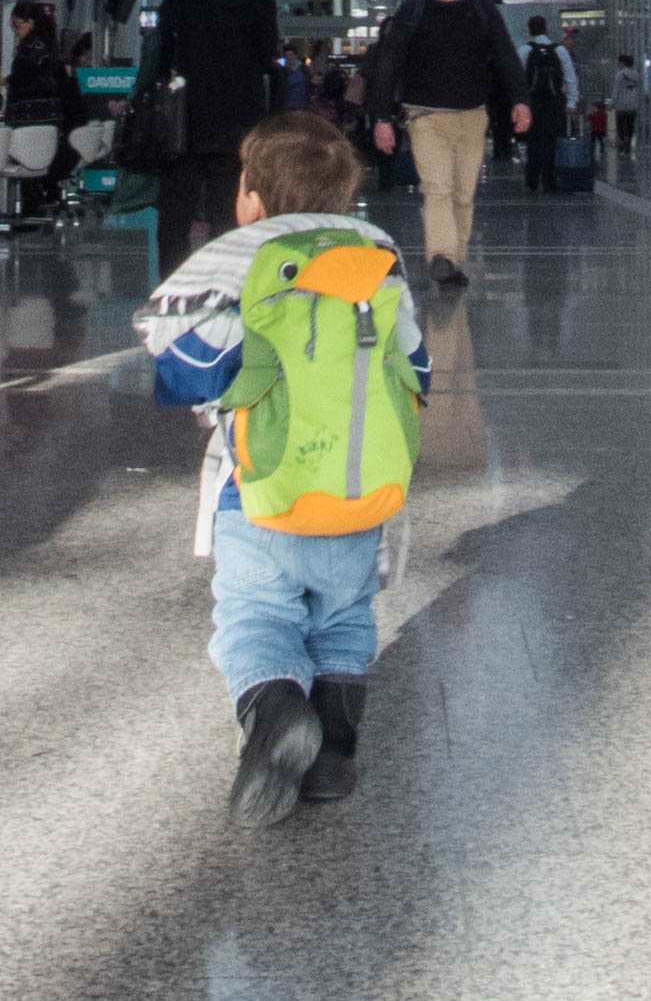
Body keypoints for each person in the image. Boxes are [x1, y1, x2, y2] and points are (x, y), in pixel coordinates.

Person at [133, 111, 431, 828]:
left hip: (259, 489)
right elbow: (414, 363)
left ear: (250, 196)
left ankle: (273, 710)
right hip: (361, 488)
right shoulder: (375, 248)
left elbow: (179, 357)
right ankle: (332, 751)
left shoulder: (240, 249)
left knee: (255, 614)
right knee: (343, 615)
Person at [373, 0, 530, 287]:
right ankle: (441, 255)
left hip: (472, 116)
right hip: (425, 117)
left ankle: (453, 261)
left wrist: (520, 99)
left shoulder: (483, 10)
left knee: (463, 193)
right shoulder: (412, 12)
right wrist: (382, 117)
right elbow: (389, 65)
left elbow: (505, 57)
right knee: (438, 187)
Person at [155, 0, 279, 279]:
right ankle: (223, 285)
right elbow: (267, 49)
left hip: (186, 111)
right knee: (226, 205)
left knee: (176, 206)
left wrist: (164, 84)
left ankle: (172, 283)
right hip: (237, 112)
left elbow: (164, 39)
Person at [4, 2, 65, 206]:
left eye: (17, 25)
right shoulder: (46, 46)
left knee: (26, 168)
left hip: (28, 119)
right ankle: (38, 206)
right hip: (47, 120)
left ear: (31, 23)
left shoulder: (30, 49)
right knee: (36, 169)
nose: (15, 31)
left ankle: (31, 210)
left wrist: (11, 81)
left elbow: (27, 79)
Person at [518, 15, 579, 193]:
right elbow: (570, 77)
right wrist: (572, 101)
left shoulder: (525, 50)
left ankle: (531, 180)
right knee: (552, 140)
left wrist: (519, 102)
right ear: (546, 28)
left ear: (530, 29)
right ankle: (550, 180)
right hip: (555, 102)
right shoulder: (560, 51)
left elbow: (518, 78)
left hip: (533, 102)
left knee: (534, 140)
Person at [612, 54, 639, 155]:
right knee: (630, 125)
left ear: (623, 62)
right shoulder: (636, 74)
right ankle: (628, 144)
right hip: (632, 103)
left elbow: (616, 90)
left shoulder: (619, 74)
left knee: (620, 125)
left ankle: (622, 142)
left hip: (621, 104)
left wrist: (612, 103)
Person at [280, 43, 311, 111]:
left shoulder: (304, 69)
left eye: (291, 54)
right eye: (286, 55)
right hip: (288, 107)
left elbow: (308, 85)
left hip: (303, 106)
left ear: (296, 55)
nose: (289, 57)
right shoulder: (282, 72)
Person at [588, 99, 607, 164]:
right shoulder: (604, 114)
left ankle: (593, 150)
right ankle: (602, 150)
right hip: (601, 130)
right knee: (600, 141)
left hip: (594, 130)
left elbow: (588, 118)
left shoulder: (593, 114)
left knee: (594, 141)